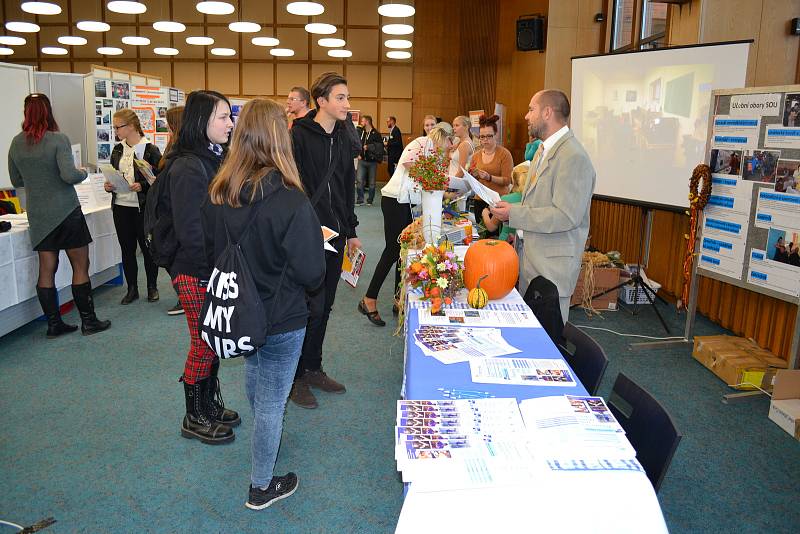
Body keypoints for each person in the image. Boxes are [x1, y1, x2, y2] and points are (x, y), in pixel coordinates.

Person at [202, 98, 325, 511]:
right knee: (272, 398)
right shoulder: (291, 201)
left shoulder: (221, 193)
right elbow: (312, 274)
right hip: (283, 315)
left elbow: (214, 253)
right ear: (279, 139)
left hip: (240, 311)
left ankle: (264, 440)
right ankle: (261, 486)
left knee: (256, 377)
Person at [161, 90, 239, 445]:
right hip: (196, 269)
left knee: (213, 339)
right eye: (222, 117)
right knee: (204, 342)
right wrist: (214, 273)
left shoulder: (212, 157)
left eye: (229, 116)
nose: (230, 123)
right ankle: (193, 416)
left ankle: (207, 404)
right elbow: (191, 230)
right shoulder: (188, 166)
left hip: (211, 267)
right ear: (201, 122)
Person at [8, 93, 110, 337]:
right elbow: (69, 175)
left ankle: (54, 325)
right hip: (66, 211)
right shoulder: (57, 139)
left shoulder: (16, 143)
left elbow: (16, 179)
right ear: (48, 111)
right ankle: (89, 322)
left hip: (38, 214)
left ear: (26, 112)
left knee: (46, 268)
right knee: (80, 265)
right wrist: (82, 172)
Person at [490, 89, 596, 324]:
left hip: (552, 268)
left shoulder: (573, 157)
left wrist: (514, 214)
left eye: (531, 110)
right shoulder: (543, 150)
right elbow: (534, 202)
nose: (526, 116)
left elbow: (566, 216)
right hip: (532, 261)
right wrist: (510, 210)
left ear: (547, 112)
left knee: (548, 344)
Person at [290, 72, 360, 409]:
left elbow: (346, 187)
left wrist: (353, 230)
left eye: (347, 97)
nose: (347, 104)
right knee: (306, 306)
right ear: (321, 101)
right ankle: (295, 376)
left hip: (337, 233)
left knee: (326, 305)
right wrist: (307, 227)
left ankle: (313, 367)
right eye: (341, 98)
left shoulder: (345, 137)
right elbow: (294, 186)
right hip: (308, 233)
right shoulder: (300, 135)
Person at [359, 123, 454, 326]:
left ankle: (398, 298)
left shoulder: (436, 155)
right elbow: (410, 164)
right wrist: (436, 179)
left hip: (408, 205)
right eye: (448, 144)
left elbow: (430, 184)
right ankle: (369, 298)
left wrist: (446, 187)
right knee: (392, 250)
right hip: (395, 200)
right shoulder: (421, 143)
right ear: (443, 137)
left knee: (405, 251)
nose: (448, 149)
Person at [105, 109, 162, 305]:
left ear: (131, 127)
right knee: (126, 249)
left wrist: (143, 185)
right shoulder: (117, 150)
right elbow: (113, 173)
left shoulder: (150, 150)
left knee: (147, 249)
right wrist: (108, 186)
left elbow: (160, 180)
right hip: (121, 206)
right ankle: (132, 289)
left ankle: (152, 287)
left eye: (117, 127)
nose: (115, 131)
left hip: (143, 207)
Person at [160, 105, 186, 316]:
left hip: (176, 215)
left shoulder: (184, 156)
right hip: (168, 211)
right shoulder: (173, 148)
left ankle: (185, 296)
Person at [471, 114, 513, 237]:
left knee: (494, 238)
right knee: (480, 236)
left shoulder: (504, 154)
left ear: (496, 135)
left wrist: (489, 177)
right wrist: (473, 176)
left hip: (498, 202)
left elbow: (507, 180)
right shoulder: (476, 155)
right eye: (482, 137)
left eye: (489, 136)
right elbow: (475, 180)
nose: (485, 140)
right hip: (480, 200)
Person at [481, 162, 526, 242]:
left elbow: (491, 227)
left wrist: (485, 214)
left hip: (506, 241)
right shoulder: (533, 199)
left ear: (513, 181)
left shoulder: (506, 199)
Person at [356, 115, 384, 206]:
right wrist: (358, 153)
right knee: (359, 180)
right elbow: (357, 143)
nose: (361, 123)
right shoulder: (361, 132)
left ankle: (370, 200)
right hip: (362, 160)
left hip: (372, 161)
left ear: (367, 122)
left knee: (372, 183)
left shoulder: (376, 133)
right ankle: (360, 199)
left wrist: (369, 147)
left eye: (363, 121)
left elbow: (380, 147)